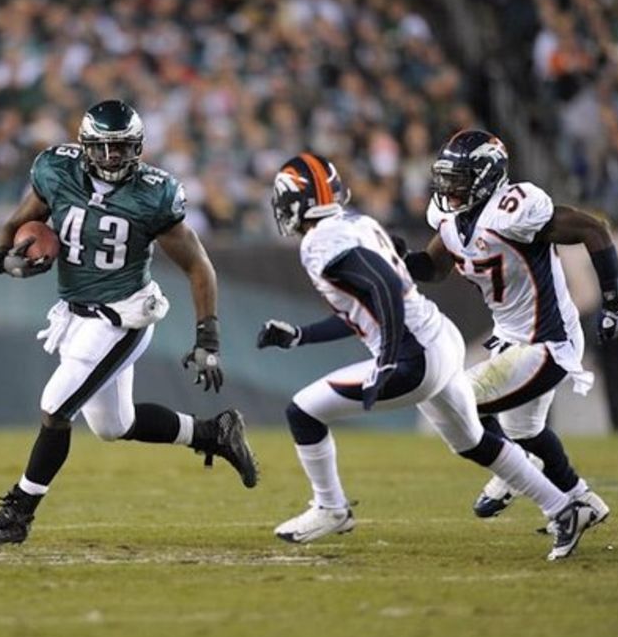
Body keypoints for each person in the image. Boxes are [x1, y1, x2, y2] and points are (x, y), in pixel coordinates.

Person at [256, 152, 600, 560]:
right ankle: (564, 508)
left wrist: (386, 359)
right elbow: (365, 312)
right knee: (472, 440)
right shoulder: (356, 224)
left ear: (295, 202)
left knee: (303, 412)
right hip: (440, 339)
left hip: (413, 357)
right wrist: (300, 336)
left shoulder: (319, 241)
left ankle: (331, 508)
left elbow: (383, 285)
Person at [0, 100, 259, 546]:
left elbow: (199, 267)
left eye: (121, 148)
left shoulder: (154, 193)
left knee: (55, 406)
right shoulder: (55, 170)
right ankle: (213, 432)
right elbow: (15, 225)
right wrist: (6, 261)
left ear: (137, 148)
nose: (111, 159)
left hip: (123, 316)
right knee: (112, 426)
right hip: (76, 313)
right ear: (85, 147)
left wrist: (208, 337)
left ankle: (18, 514)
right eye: (102, 149)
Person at [401, 129, 618, 524]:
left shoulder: (514, 209)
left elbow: (594, 230)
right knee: (526, 430)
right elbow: (433, 267)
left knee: (457, 400)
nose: (450, 187)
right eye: (447, 177)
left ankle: (515, 471)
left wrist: (613, 304)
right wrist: (395, 260)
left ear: (488, 175)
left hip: (547, 340)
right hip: (511, 340)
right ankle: (582, 499)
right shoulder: (452, 220)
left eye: (461, 177)